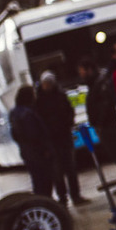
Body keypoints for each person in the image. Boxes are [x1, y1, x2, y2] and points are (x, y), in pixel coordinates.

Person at [35, 71, 90, 206]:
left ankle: (75, 195)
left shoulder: (59, 95)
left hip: (64, 137)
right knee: (58, 171)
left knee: (70, 168)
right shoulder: (39, 100)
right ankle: (63, 197)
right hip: (52, 140)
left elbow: (69, 111)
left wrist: (68, 123)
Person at [78, 57, 116, 182]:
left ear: (90, 70)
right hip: (104, 126)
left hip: (109, 125)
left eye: (82, 72)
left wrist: (100, 122)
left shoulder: (100, 83)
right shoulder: (94, 84)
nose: (81, 75)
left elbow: (105, 104)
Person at [9, 85, 53, 197]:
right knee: (44, 179)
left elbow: (14, 134)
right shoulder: (28, 113)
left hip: (26, 151)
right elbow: (35, 134)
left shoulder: (14, 113)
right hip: (37, 152)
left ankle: (41, 200)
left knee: (36, 178)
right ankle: (45, 202)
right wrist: (45, 149)